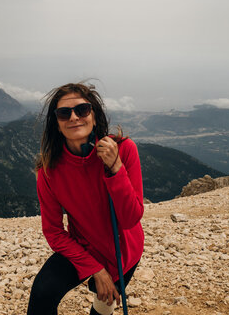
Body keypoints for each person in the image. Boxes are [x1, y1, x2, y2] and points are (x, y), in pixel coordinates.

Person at [27, 82, 144, 315]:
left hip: (123, 253)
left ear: (93, 115)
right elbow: (53, 231)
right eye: (64, 113)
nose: (74, 118)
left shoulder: (124, 149)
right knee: (42, 294)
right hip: (84, 248)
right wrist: (96, 270)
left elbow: (131, 218)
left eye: (82, 110)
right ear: (56, 123)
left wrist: (115, 168)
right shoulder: (49, 170)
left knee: (102, 310)